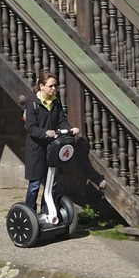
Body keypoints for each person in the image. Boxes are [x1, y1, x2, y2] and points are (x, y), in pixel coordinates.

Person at [23, 72, 80, 210]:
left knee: (51, 182)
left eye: (55, 86)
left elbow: (61, 121)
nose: (54, 88)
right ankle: (30, 212)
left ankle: (47, 211)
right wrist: (45, 132)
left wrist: (70, 129)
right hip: (36, 149)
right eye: (51, 86)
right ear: (42, 86)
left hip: (52, 148)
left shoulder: (56, 101)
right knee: (35, 184)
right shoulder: (32, 103)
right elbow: (31, 128)